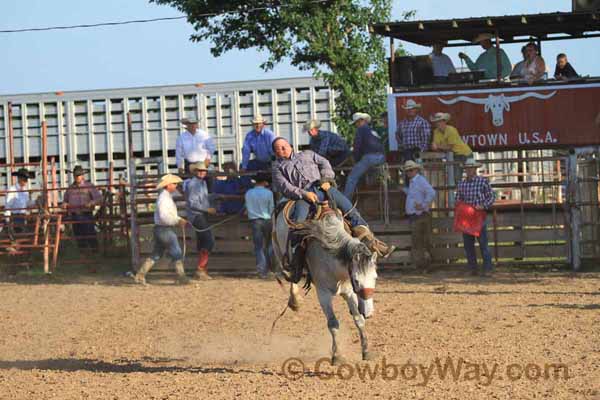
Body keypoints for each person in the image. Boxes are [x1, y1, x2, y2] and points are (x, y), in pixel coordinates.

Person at [271, 137, 394, 282]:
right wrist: (304, 194)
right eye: (278, 148)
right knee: (298, 225)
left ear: (290, 146)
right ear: (275, 152)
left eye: (284, 146)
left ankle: (372, 242)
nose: (282, 150)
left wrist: (326, 179)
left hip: (322, 188)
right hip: (302, 197)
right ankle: (296, 264)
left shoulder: (308, 154)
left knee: (349, 209)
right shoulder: (277, 167)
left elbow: (324, 163)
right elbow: (285, 186)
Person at [133, 174, 190, 285]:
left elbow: (168, 215)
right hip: (165, 229)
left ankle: (140, 275)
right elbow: (164, 216)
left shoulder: (165, 197)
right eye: (174, 183)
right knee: (176, 252)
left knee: (157, 253)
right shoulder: (164, 198)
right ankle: (181, 277)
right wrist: (177, 221)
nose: (176, 185)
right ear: (168, 185)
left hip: (161, 229)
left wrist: (178, 219)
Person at [456, 159, 496, 277]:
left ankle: (487, 268)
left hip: (478, 215)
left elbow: (492, 196)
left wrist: (483, 205)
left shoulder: (483, 181)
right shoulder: (461, 184)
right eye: (467, 168)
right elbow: (458, 198)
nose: (469, 170)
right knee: (468, 245)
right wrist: (460, 206)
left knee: (483, 243)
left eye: (471, 168)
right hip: (466, 217)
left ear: (475, 169)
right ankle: (473, 268)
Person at [183, 162, 217, 280]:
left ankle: (201, 269)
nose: (202, 172)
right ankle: (200, 268)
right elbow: (193, 203)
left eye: (204, 171)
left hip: (200, 215)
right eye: (200, 170)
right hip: (197, 215)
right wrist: (207, 209)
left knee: (203, 241)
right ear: (195, 172)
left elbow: (204, 198)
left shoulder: (202, 183)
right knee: (209, 240)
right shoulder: (194, 184)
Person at [402, 161, 436, 274]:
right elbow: (414, 194)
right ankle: (423, 266)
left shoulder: (419, 180)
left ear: (416, 170)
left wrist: (423, 205)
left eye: (410, 170)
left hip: (420, 215)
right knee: (420, 242)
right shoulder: (414, 182)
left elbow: (431, 192)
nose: (408, 172)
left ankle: (424, 266)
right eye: (407, 171)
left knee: (421, 242)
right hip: (417, 215)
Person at [343, 112, 386, 199]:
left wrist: (356, 159)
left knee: (352, 178)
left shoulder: (361, 129)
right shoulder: (372, 130)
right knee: (371, 173)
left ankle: (345, 202)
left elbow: (357, 146)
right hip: (381, 157)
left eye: (356, 123)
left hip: (370, 157)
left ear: (360, 121)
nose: (356, 125)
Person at [63, 166, 102, 251]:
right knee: (78, 235)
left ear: (82, 176)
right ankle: (84, 253)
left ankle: (94, 251)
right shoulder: (70, 188)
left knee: (89, 233)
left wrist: (92, 202)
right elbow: (65, 200)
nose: (77, 177)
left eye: (78, 175)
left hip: (86, 214)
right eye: (75, 176)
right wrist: (65, 204)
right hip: (75, 215)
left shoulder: (89, 186)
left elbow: (98, 198)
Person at [244, 173, 275, 279]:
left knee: (258, 246)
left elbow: (247, 207)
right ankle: (269, 268)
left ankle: (261, 270)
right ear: (264, 182)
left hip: (255, 221)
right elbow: (271, 208)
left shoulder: (248, 193)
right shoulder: (269, 193)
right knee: (269, 245)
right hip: (267, 219)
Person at [430, 112, 473, 185]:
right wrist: (436, 146)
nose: (438, 123)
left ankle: (468, 191)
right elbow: (435, 147)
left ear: (444, 121)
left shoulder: (451, 130)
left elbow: (450, 147)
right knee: (456, 178)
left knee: (471, 176)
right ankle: (460, 193)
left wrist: (437, 146)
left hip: (465, 154)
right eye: (436, 122)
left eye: (440, 121)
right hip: (455, 155)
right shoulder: (436, 132)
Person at [4, 168, 34, 233]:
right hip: (15, 217)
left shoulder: (25, 190)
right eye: (25, 179)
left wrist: (36, 201)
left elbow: (27, 203)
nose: (26, 181)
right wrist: (8, 220)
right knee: (19, 236)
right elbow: (8, 206)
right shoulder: (12, 190)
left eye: (26, 179)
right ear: (19, 178)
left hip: (23, 217)